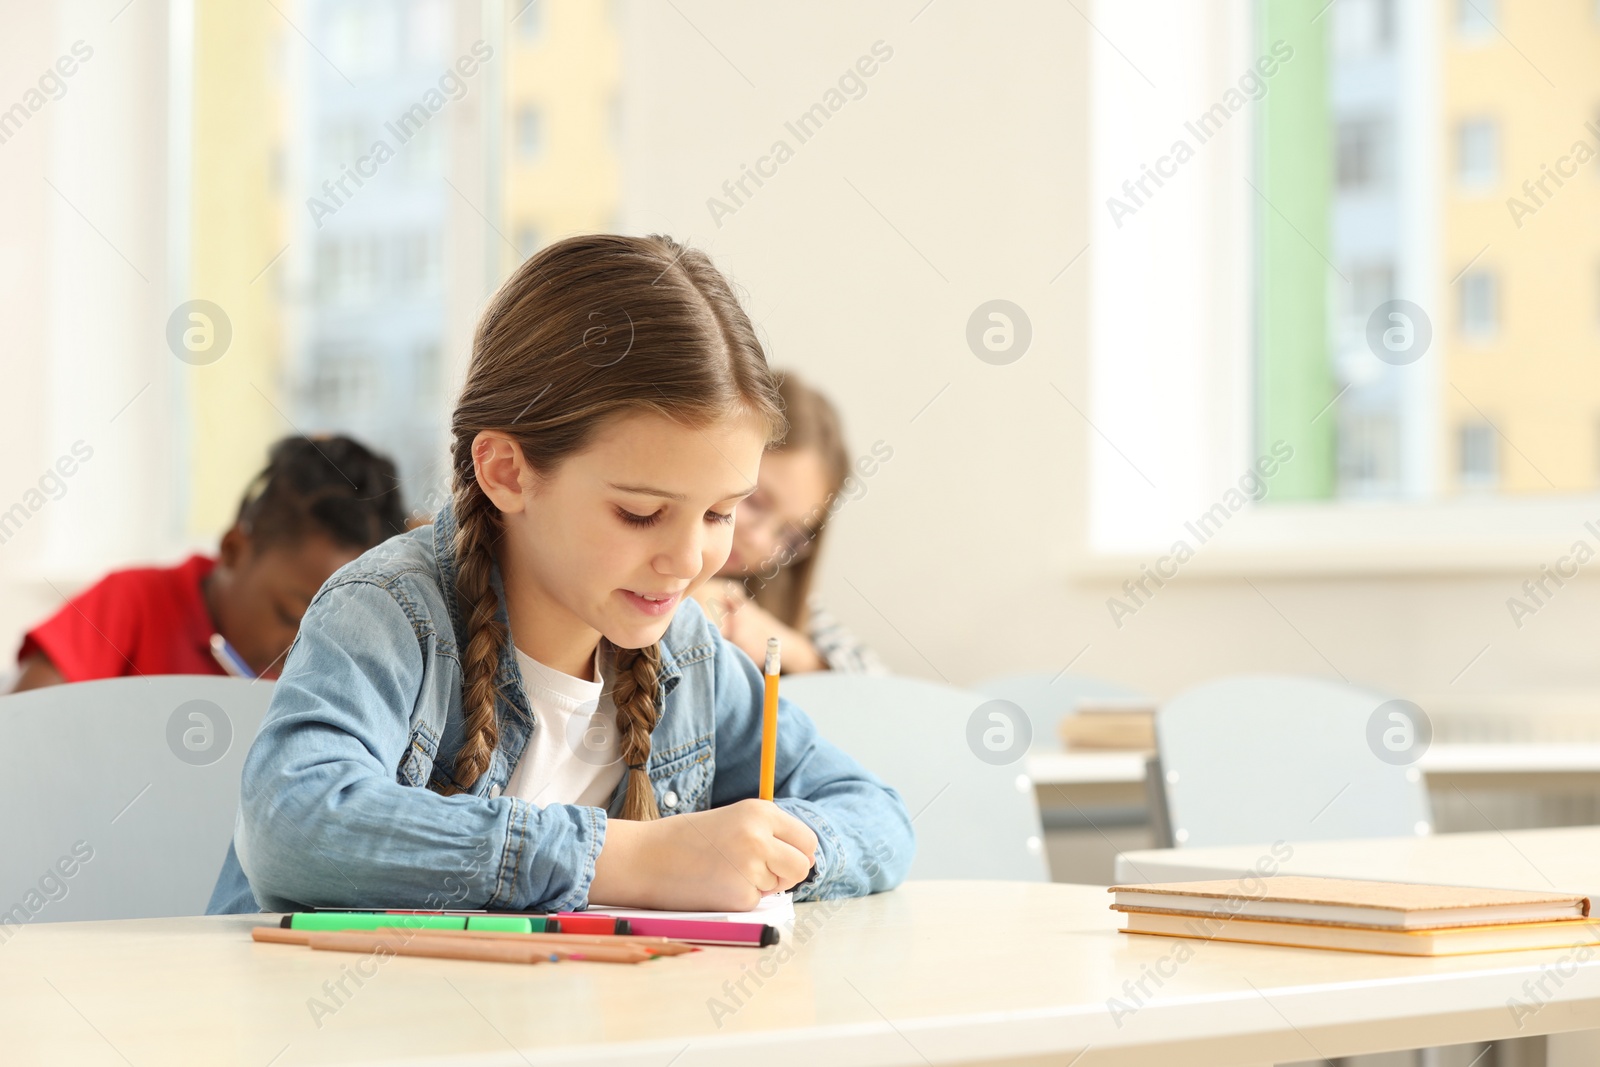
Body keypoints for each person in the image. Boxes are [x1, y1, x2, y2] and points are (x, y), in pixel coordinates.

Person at [207, 234, 913, 916]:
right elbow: (293, 825)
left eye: (720, 514)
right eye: (641, 513)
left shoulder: (690, 654)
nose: (691, 559)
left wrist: (774, 851)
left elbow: (875, 813)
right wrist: (632, 860)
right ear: (507, 471)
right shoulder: (389, 611)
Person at [13, 435, 406, 689]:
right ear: (234, 549)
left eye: (333, 632)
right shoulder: (133, 601)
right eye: (289, 615)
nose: (302, 650)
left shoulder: (330, 676)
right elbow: (27, 724)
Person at [692, 372, 887, 674]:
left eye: (789, 533)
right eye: (754, 501)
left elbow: (876, 686)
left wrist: (786, 649)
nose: (760, 540)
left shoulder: (769, 595)